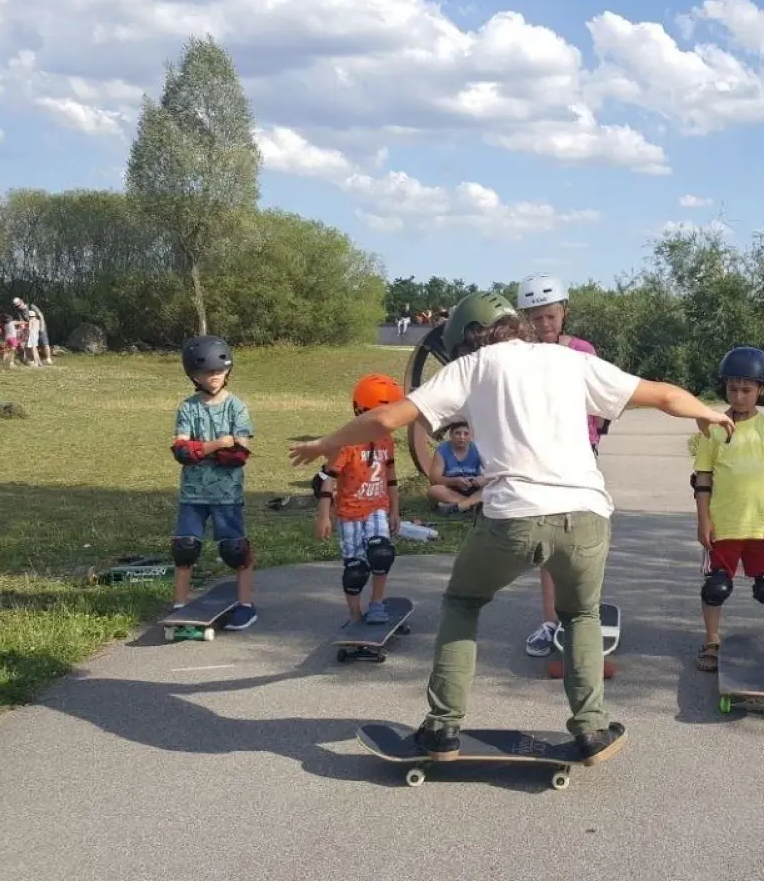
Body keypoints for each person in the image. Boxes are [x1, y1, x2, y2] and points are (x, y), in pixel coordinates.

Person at [288, 290, 734, 765]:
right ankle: (591, 730)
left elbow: (386, 417)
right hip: (586, 515)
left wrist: (325, 444)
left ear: (465, 340)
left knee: (463, 600)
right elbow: (663, 394)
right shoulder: (568, 361)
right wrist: (707, 412)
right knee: (581, 614)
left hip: (514, 516)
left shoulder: (472, 367)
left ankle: (441, 729)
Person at [514, 273, 607, 658]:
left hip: (579, 452)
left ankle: (583, 617)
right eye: (535, 318)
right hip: (540, 453)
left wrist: (591, 433)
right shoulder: (520, 352)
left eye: (550, 316)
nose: (543, 325)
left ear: (564, 311)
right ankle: (550, 620)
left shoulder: (582, 350)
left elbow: (601, 400)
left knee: (584, 539)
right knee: (548, 543)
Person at [691, 346, 764, 675]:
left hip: (760, 527)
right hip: (723, 526)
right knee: (715, 587)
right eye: (732, 389)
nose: (738, 397)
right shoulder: (715, 429)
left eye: (746, 390)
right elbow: (702, 479)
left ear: (761, 390)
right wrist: (703, 520)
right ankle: (711, 641)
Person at [169, 335, 258, 630]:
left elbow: (238, 454)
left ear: (228, 371)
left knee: (235, 550)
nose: (214, 377)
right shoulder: (187, 408)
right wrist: (218, 443)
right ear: (194, 376)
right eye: (207, 373)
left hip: (226, 494)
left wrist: (201, 449)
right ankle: (180, 605)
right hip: (192, 494)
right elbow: (182, 452)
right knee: (184, 548)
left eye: (219, 371)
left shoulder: (237, 408)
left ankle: (245, 605)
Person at [313, 374, 404, 624]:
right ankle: (354, 615)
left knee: (381, 554)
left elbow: (391, 476)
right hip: (349, 512)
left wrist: (395, 510)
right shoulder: (346, 442)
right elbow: (327, 478)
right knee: (355, 569)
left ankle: (376, 603)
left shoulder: (387, 440)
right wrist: (323, 516)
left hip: (377, 508)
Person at [426, 421, 486, 513]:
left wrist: (482, 478)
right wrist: (455, 481)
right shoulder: (442, 450)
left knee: (494, 486)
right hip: (453, 489)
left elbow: (492, 472)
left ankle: (459, 506)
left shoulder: (477, 448)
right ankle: (472, 504)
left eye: (466, 434)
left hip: (474, 487)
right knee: (434, 490)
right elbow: (434, 479)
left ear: (471, 435)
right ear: (451, 434)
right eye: (458, 433)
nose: (462, 437)